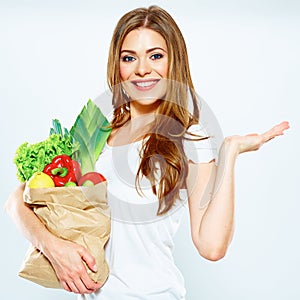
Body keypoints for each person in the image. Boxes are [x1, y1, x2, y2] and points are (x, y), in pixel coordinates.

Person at [5, 5, 289, 300]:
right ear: (117, 64)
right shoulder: (95, 130)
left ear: (173, 62)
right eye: (129, 58)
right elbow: (18, 201)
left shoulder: (189, 137)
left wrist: (229, 153)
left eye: (155, 55)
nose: (142, 69)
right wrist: (52, 246)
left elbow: (211, 246)